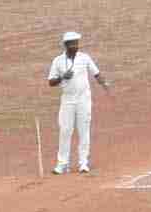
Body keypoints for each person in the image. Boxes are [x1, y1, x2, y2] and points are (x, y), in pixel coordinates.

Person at [46, 31, 110, 176]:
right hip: (67, 100)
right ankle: (62, 164)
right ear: (66, 45)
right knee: (65, 130)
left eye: (77, 43)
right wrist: (62, 77)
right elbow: (50, 82)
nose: (76, 46)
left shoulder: (84, 58)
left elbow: (96, 73)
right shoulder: (58, 61)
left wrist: (104, 83)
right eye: (72, 43)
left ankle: (83, 163)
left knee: (83, 130)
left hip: (83, 99)